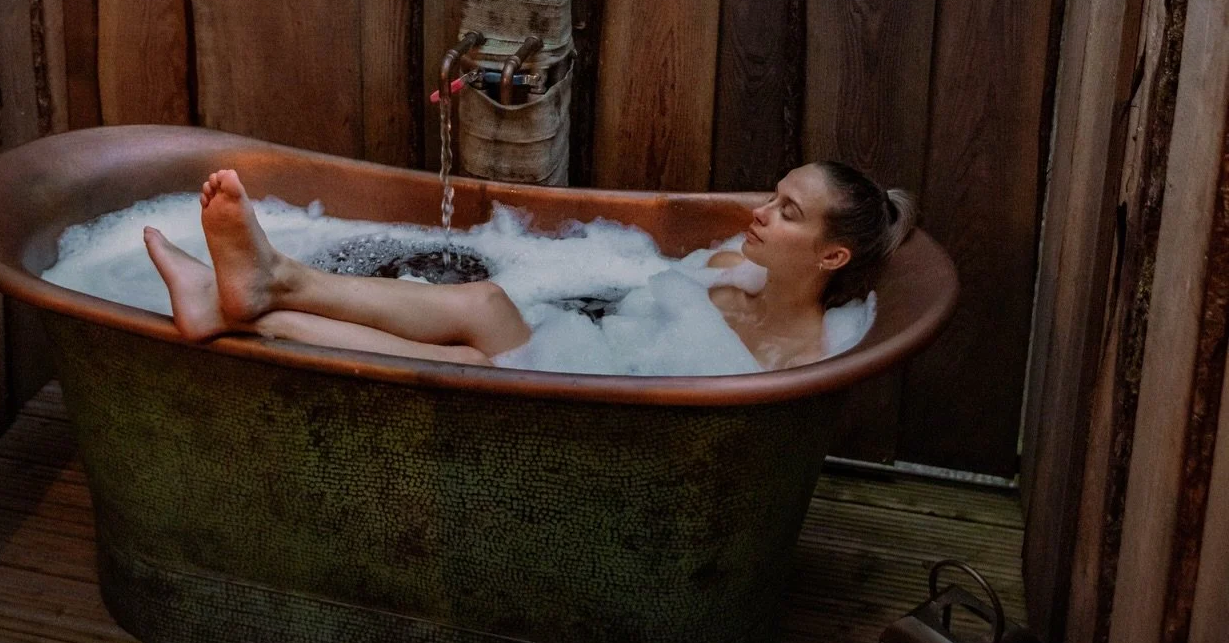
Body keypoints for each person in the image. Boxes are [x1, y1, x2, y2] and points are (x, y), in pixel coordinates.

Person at [144, 160, 915, 373]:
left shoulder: (804, 356)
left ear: (832, 255)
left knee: (479, 340)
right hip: (585, 359)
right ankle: (251, 299)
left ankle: (261, 297)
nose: (758, 211)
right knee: (481, 316)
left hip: (597, 406)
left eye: (786, 211)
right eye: (772, 195)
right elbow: (641, 303)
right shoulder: (720, 266)